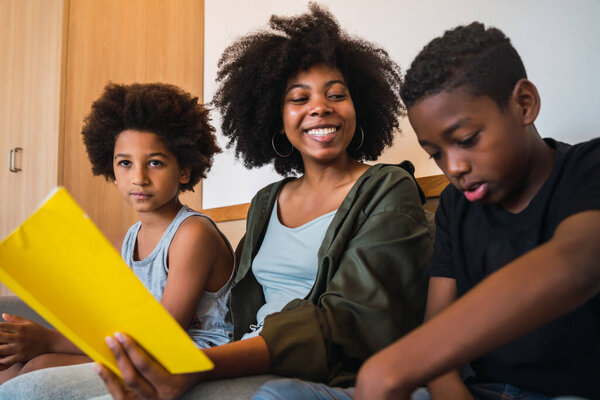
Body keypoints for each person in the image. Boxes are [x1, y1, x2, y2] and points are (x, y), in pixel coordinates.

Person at [0, 4, 432, 399]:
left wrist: (196, 365)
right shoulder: (267, 202)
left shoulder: (387, 189)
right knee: (27, 381)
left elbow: (350, 322)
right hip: (236, 355)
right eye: (299, 98)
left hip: (303, 368)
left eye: (336, 94)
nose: (319, 107)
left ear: (360, 107)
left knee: (32, 387)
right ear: (275, 119)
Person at [353, 22, 600, 400]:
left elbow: (578, 263)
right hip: (482, 392)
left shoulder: (588, 168)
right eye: (435, 153)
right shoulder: (456, 205)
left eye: (466, 140)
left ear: (524, 104)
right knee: (283, 393)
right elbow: (440, 347)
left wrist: (401, 361)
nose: (453, 167)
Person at [0, 83, 234, 385]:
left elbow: (161, 336)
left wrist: (49, 340)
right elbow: (109, 322)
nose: (138, 177)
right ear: (111, 169)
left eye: (155, 162)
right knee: (11, 366)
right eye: (125, 163)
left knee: (38, 368)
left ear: (184, 171)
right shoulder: (127, 240)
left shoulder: (192, 234)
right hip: (136, 348)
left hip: (188, 355)